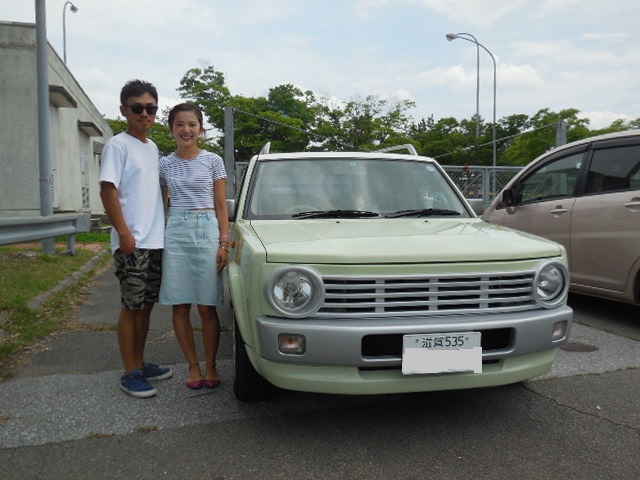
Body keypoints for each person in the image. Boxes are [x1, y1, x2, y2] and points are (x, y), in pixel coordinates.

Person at [99, 79, 173, 398]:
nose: (145, 113)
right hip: (133, 242)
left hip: (155, 241)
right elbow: (108, 189)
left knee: (146, 306)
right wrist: (125, 233)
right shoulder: (118, 144)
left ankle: (141, 364)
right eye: (137, 108)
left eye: (151, 108)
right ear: (124, 110)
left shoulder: (152, 147)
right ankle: (129, 372)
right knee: (131, 306)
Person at [159, 102, 229, 390]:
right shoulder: (164, 164)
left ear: (201, 129)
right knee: (179, 304)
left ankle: (211, 364)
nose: (186, 130)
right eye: (179, 124)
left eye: (192, 124)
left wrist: (224, 241)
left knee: (207, 306)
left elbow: (221, 205)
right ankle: (193, 366)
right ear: (172, 128)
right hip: (175, 231)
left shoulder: (213, 160)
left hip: (207, 229)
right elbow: (160, 203)